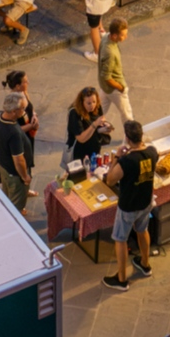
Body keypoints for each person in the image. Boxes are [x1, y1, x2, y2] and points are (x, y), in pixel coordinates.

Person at [100, 120, 159, 291]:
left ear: (126, 138)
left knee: (120, 239)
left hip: (128, 206)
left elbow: (110, 179)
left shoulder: (127, 162)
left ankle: (121, 279)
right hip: (145, 202)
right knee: (142, 230)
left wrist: (117, 157)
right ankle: (145, 264)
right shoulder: (152, 152)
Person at [0, 90, 34, 211]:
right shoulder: (13, 132)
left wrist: (0, 142)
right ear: (14, 111)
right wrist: (25, 177)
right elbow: (19, 160)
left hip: (3, 166)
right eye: (23, 109)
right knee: (16, 204)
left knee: (6, 191)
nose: (24, 112)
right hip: (14, 174)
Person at [98, 17, 133, 124]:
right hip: (114, 88)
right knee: (128, 117)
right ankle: (130, 140)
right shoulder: (111, 53)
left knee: (99, 112)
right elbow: (106, 76)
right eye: (123, 35)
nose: (126, 37)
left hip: (105, 87)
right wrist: (120, 88)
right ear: (114, 35)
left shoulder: (105, 38)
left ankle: (90, 132)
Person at [67, 85, 114, 164]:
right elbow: (81, 138)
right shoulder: (75, 114)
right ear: (82, 102)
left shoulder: (97, 106)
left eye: (94, 102)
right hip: (80, 152)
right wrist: (95, 124)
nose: (92, 105)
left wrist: (105, 127)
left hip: (94, 148)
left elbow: (101, 119)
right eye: (88, 103)